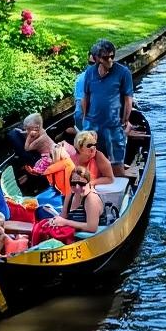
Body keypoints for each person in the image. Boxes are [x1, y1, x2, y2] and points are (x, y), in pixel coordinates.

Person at [81, 39, 134, 168]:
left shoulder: (123, 72)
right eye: (106, 57)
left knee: (116, 166)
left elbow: (128, 99)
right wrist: (84, 118)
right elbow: (86, 96)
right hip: (93, 125)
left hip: (114, 126)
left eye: (112, 56)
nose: (110, 60)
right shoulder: (90, 73)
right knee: (91, 164)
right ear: (97, 58)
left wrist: (125, 120)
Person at [48, 166, 104, 235]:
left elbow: (92, 227)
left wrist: (65, 222)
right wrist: (54, 221)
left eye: (81, 184)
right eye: (73, 184)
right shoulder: (70, 195)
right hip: (72, 237)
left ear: (88, 183)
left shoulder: (91, 199)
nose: (77, 187)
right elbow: (63, 216)